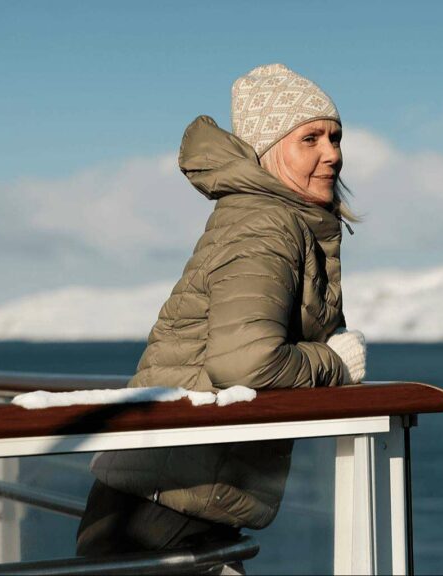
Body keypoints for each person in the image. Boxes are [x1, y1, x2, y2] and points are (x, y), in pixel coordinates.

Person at [75, 64, 367, 569]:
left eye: (336, 137)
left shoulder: (273, 219)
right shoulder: (266, 224)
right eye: (311, 139)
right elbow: (246, 363)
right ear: (271, 148)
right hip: (164, 511)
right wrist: (333, 366)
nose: (333, 155)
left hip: (170, 494)